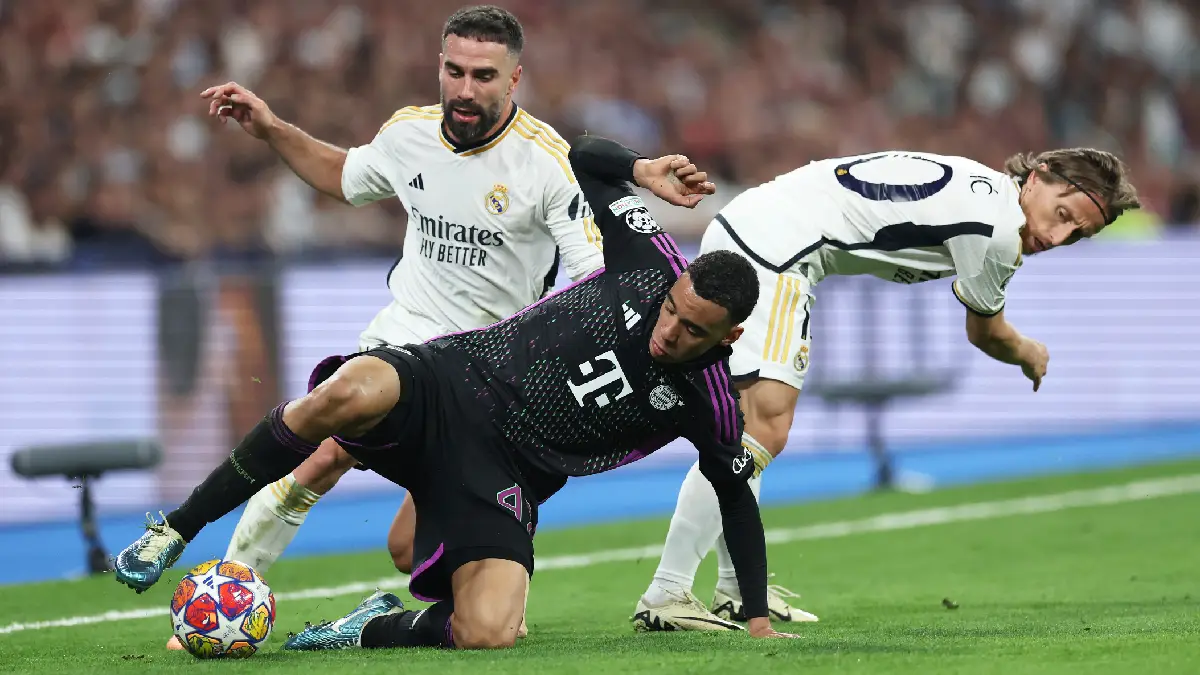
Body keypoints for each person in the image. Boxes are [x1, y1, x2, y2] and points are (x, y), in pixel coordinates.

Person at [114, 134, 801, 649]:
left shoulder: (710, 400)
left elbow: (734, 492)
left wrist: (759, 618)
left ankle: (369, 627)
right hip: (455, 380)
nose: (668, 329)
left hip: (504, 472)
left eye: (691, 331)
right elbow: (587, 156)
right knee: (347, 391)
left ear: (729, 338)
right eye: (673, 309)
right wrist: (641, 170)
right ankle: (176, 526)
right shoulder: (653, 259)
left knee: (488, 626)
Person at [162, 6, 604, 650]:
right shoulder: (409, 135)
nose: (464, 88)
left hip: (480, 381)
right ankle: (227, 590)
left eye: (483, 75)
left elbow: (591, 275)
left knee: (407, 551)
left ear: (514, 81)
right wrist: (271, 129)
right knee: (326, 446)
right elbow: (344, 178)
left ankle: (426, 602)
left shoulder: (547, 164)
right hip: (401, 342)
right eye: (453, 70)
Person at [633, 148, 1142, 631]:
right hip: (776, 251)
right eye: (1062, 213)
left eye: (1077, 234)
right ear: (1040, 175)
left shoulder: (983, 187)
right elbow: (986, 332)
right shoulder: (998, 229)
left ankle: (738, 591)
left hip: (759, 228)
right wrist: (1029, 351)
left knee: (748, 428)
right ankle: (668, 590)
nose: (1057, 237)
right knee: (764, 428)